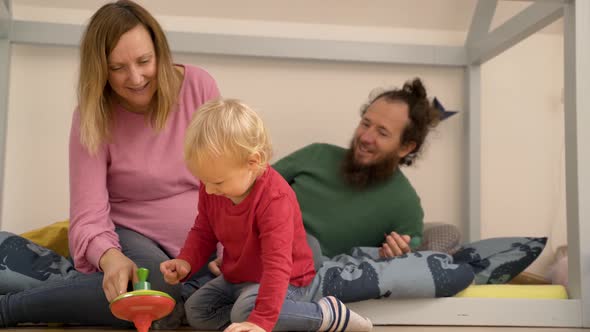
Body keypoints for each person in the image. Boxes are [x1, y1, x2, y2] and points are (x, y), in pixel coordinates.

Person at [0, 0, 219, 327]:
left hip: (202, 240)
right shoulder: (91, 116)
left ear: (159, 51)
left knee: (288, 257)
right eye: (118, 68)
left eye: (144, 61)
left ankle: (63, 291)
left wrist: (234, 243)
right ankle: (9, 308)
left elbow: (226, 175)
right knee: (153, 292)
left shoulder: (198, 86)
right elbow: (87, 215)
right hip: (128, 235)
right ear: (100, 69)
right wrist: (111, 257)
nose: (136, 77)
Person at [160, 98, 373, 332]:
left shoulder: (274, 199)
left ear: (254, 162)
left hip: (287, 280)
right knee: (197, 312)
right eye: (204, 181)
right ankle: (253, 320)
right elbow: (203, 231)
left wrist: (260, 321)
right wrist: (185, 261)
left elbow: (277, 265)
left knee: (246, 312)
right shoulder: (213, 186)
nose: (209, 190)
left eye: (217, 182)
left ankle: (326, 315)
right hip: (238, 278)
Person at [273, 78, 440, 263]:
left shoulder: (405, 205)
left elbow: (410, 260)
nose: (366, 137)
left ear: (405, 148)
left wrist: (398, 256)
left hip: (301, 273)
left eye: (382, 133)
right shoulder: (316, 155)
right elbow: (252, 189)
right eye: (366, 124)